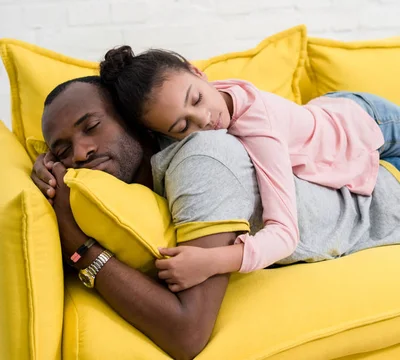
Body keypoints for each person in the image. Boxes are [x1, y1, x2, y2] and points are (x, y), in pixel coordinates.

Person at [32, 75, 400, 358]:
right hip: (333, 131)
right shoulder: (150, 166)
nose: (80, 152)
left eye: (92, 126)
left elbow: (186, 335)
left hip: (379, 159)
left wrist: (77, 245)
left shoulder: (201, 161)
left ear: (132, 119)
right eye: (63, 149)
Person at [99, 45, 400, 291]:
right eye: (182, 125)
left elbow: (284, 235)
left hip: (368, 122)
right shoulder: (188, 108)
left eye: (197, 99)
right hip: (323, 116)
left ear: (198, 71)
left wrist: (211, 261)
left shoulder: (260, 130)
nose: (203, 119)